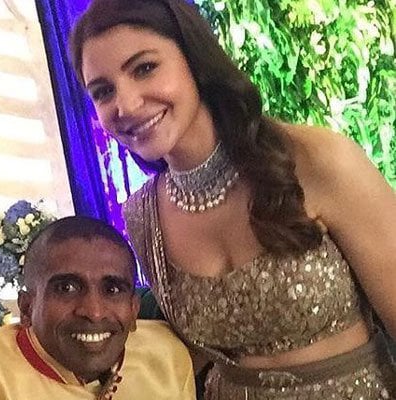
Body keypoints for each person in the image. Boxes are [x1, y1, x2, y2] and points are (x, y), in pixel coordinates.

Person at [68, 0, 396, 398]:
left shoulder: (316, 161)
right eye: (103, 91)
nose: (127, 104)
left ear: (194, 60)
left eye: (145, 68)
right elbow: (186, 354)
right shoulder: (142, 217)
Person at [0, 216, 195, 399]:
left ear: (134, 309)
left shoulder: (166, 356)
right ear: (27, 308)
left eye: (112, 290)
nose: (94, 312)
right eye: (66, 288)